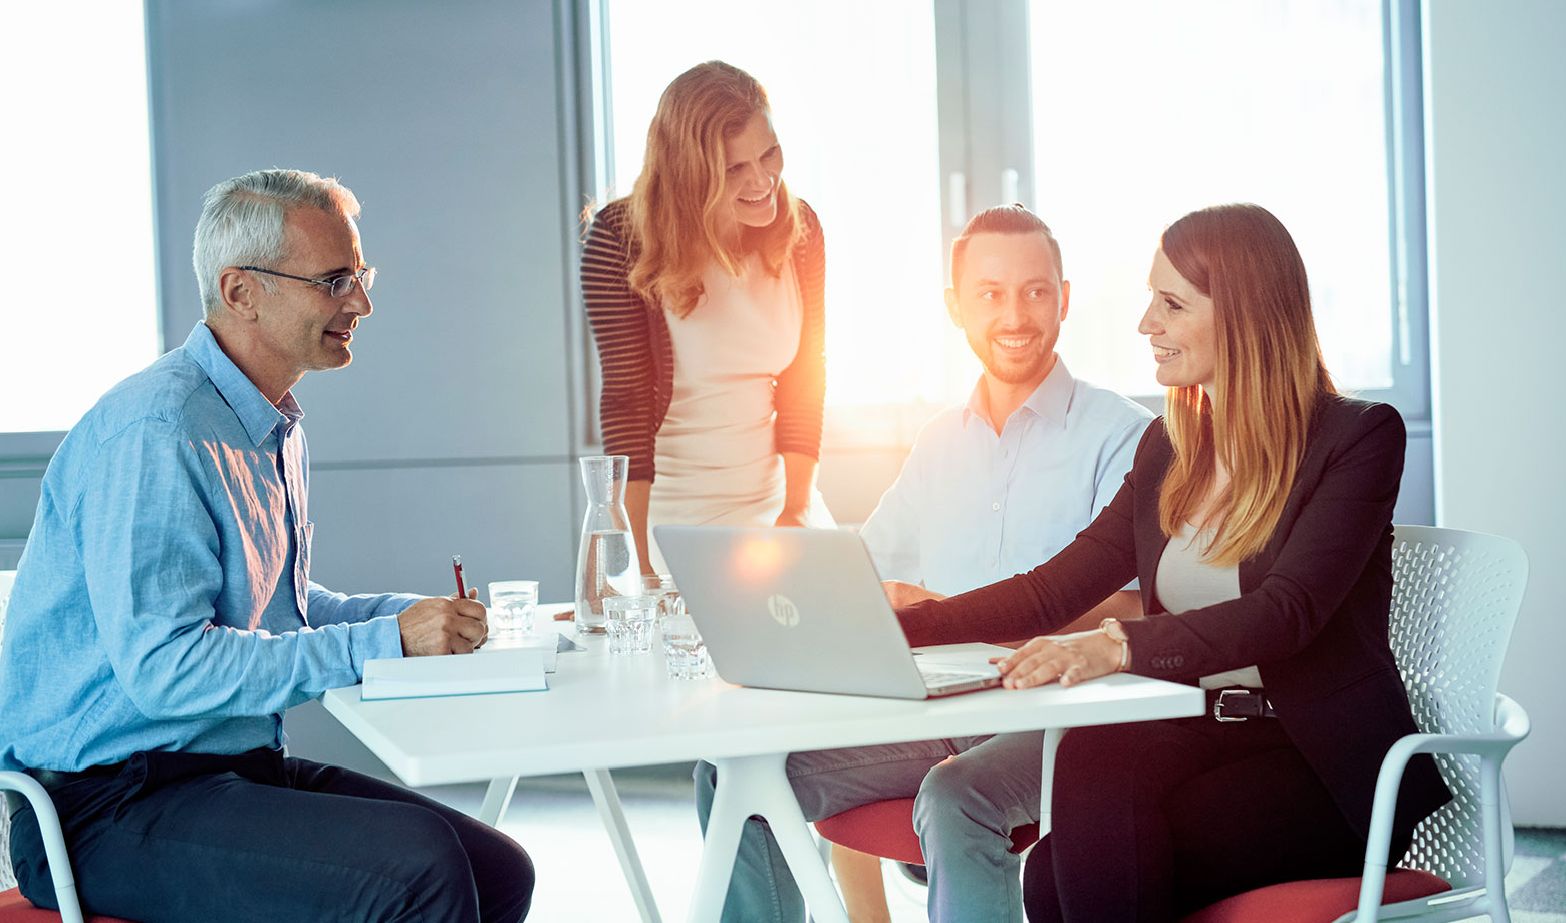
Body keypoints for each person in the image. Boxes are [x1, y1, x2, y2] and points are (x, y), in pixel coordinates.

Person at [0, 169, 535, 922]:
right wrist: (383, 640)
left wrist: (408, 619)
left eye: (362, 275)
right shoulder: (160, 429)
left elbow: (275, 607)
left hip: (218, 771)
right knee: (421, 873)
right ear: (241, 290)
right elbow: (167, 668)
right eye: (335, 280)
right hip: (102, 806)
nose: (362, 302)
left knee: (497, 868)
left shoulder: (265, 424)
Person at [893, 203, 1452, 922]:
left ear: (1244, 314)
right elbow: (1049, 591)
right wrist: (903, 627)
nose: (1145, 324)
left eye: (1171, 304)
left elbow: (1287, 612)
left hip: (1316, 762)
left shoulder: (1358, 438)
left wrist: (1116, 644)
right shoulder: (1170, 447)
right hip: (1197, 730)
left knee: (1079, 873)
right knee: (1062, 847)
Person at [695, 205, 1152, 923]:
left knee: (954, 793)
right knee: (737, 771)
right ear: (955, 307)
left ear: (1064, 298)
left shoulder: (1122, 435)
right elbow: (860, 570)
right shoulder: (940, 442)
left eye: (1035, 291)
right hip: (939, 704)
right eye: (990, 293)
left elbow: (1137, 611)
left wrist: (952, 604)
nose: (1015, 314)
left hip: (1061, 717)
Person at [581, 60, 833, 576]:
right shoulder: (620, 238)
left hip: (779, 508)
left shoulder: (800, 226)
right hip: (671, 519)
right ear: (689, 172)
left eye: (769, 154)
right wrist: (633, 561)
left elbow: (806, 377)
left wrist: (797, 510)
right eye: (734, 169)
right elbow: (627, 401)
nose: (762, 180)